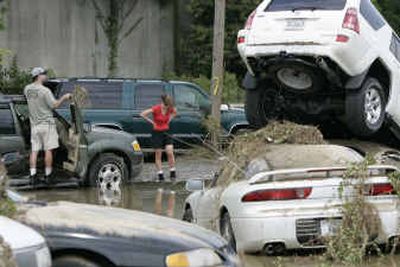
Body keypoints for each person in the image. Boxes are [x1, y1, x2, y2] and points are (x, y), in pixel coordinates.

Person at [24, 67, 72, 186]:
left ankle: (33, 175)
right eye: (44, 74)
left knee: (34, 151)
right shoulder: (45, 91)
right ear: (39, 76)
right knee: (48, 150)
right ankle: (48, 175)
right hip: (47, 125)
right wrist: (64, 97)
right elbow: (54, 105)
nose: (45, 76)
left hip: (34, 125)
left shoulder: (27, 89)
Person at [141, 95, 177, 182]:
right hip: (157, 133)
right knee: (158, 154)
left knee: (169, 152)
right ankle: (160, 174)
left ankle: (172, 171)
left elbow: (175, 112)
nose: (168, 108)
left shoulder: (170, 108)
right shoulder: (156, 108)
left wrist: (169, 120)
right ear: (163, 104)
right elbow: (142, 114)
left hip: (166, 132)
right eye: (167, 106)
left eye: (169, 106)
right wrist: (152, 122)